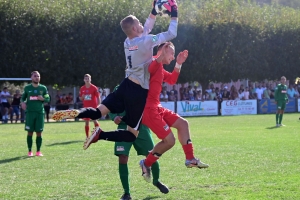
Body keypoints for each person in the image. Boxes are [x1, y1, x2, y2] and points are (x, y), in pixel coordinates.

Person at [51, 0, 178, 147]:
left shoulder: (127, 42)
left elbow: (146, 28)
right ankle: (101, 135)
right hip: (138, 92)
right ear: (136, 27)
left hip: (124, 86)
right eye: (139, 22)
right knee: (131, 135)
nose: (142, 24)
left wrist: (154, 11)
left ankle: (75, 113)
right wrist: (174, 11)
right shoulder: (147, 41)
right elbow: (171, 33)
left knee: (97, 112)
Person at [139, 42, 209, 182]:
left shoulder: (160, 67)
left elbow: (171, 80)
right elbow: (152, 66)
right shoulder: (152, 62)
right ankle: (146, 163)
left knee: (183, 124)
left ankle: (190, 159)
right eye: (171, 53)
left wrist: (178, 64)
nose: (172, 56)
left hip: (156, 107)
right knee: (170, 141)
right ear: (163, 50)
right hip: (148, 110)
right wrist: (160, 56)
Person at [109, 85, 168, 200]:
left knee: (153, 154)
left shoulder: (146, 86)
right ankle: (127, 193)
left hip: (142, 127)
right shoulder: (119, 88)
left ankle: (156, 181)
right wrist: (114, 117)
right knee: (122, 157)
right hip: (123, 127)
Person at [20, 71, 50, 156]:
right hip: (30, 113)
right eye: (35, 76)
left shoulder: (43, 88)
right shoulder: (27, 88)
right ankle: (30, 151)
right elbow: (22, 98)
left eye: (38, 76)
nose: (37, 77)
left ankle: (38, 151)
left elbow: (47, 99)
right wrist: (22, 103)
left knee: (39, 132)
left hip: (40, 113)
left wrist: (43, 98)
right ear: (31, 78)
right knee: (30, 132)